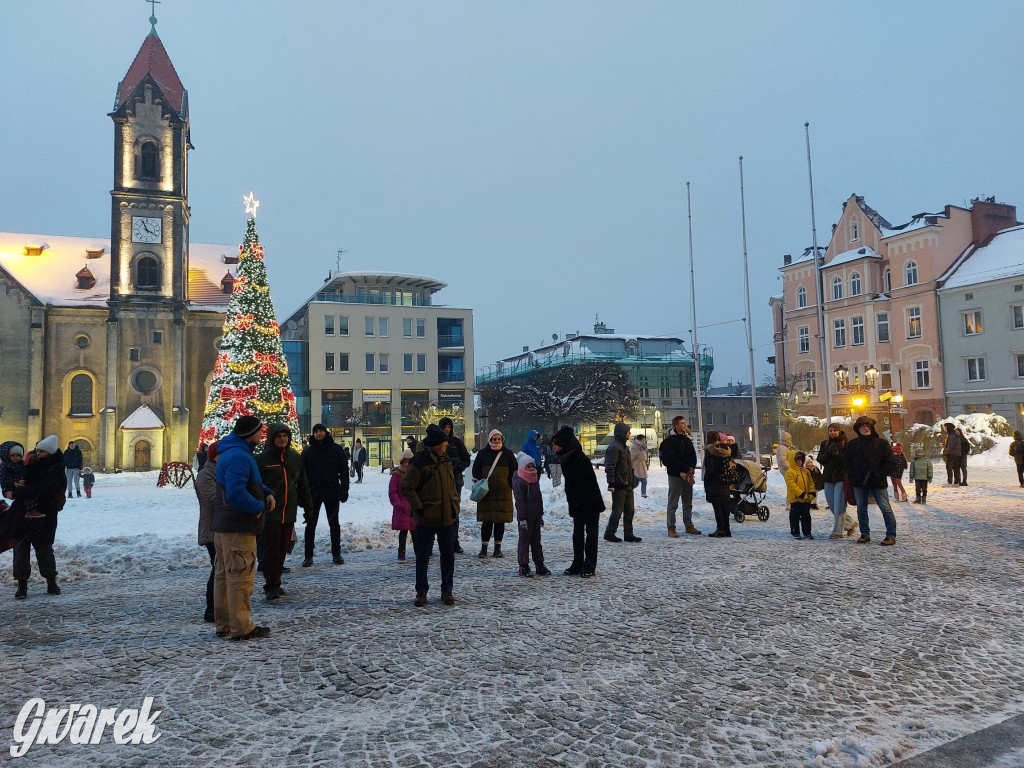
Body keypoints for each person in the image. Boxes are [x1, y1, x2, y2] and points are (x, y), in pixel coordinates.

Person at [213, 416, 275, 640]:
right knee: (240, 575)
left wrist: (266, 491)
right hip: (238, 526)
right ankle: (241, 626)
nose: (261, 434)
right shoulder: (239, 455)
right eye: (259, 431)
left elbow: (246, 481)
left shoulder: (233, 451)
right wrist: (257, 507)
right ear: (250, 434)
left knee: (224, 575)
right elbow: (236, 492)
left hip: (225, 524)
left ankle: (225, 624)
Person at [403, 424, 460, 606]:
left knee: (448, 556)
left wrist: (454, 503)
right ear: (436, 444)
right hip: (426, 517)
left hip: (446, 516)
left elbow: (451, 484)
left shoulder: (446, 459)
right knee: (423, 557)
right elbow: (407, 488)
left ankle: (447, 590)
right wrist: (419, 507)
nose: (447, 444)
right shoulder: (418, 461)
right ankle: (421, 592)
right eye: (444, 442)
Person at [257, 423, 313, 601]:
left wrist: (308, 507)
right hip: (271, 511)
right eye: (278, 436)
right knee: (271, 549)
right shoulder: (261, 460)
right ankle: (270, 584)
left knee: (283, 548)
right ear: (272, 438)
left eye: (285, 436)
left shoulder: (295, 458)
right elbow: (255, 485)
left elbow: (303, 484)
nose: (282, 439)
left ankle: (276, 581)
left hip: (288, 511)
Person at [9, 435, 65, 599]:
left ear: (50, 452)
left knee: (44, 548)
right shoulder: (29, 464)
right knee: (20, 549)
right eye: (37, 450)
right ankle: (22, 585)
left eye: (42, 451)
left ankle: (51, 581)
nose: (38, 453)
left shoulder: (56, 468)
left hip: (45, 514)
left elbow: (45, 489)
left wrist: (20, 492)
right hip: (22, 514)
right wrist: (14, 487)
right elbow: (16, 480)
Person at [550, 426, 604, 578]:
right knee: (578, 534)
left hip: (589, 502)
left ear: (564, 444)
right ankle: (577, 563)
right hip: (577, 501)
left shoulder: (578, 457)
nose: (553, 447)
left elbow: (588, 483)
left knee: (591, 534)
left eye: (555, 444)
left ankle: (589, 565)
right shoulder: (566, 456)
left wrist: (580, 500)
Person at [843, 415, 897, 546]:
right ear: (858, 429)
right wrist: (854, 474)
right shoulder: (852, 445)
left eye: (867, 426)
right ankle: (864, 534)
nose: (865, 428)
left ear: (872, 428)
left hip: (878, 482)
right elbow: (846, 462)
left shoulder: (882, 443)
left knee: (885, 508)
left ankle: (891, 535)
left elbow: (890, 462)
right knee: (861, 509)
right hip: (859, 482)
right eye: (862, 426)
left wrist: (880, 473)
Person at [301, 423, 350, 567]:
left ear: (325, 432)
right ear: (313, 434)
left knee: (334, 524)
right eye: (316, 431)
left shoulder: (336, 449)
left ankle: (336, 554)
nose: (318, 433)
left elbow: (344, 470)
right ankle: (308, 556)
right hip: (313, 493)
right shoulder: (308, 451)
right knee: (310, 525)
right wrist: (302, 494)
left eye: (321, 431)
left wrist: (344, 489)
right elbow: (301, 474)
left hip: (331, 491)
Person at [471, 429, 517, 558]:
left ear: (502, 440)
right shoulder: (482, 453)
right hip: (486, 493)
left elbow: (514, 470)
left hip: (503, 493)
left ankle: (498, 548)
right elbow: (476, 470)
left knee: (500, 522)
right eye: (494, 439)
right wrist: (480, 482)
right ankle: (484, 548)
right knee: (487, 521)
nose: (497, 441)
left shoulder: (508, 454)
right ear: (490, 440)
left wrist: (509, 483)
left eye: (499, 439)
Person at [660, 416, 700, 537]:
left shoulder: (687, 440)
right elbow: (669, 459)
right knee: (673, 503)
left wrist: (692, 467)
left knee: (688, 502)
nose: (684, 425)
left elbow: (693, 455)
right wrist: (684, 469)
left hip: (688, 475)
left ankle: (688, 525)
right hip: (675, 475)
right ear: (676, 425)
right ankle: (671, 527)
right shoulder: (669, 441)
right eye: (682, 423)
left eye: (684, 423)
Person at [194, 440, 220, 623]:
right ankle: (211, 609)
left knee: (222, 567)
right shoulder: (205, 474)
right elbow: (211, 499)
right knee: (218, 567)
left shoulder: (222, 471)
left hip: (221, 526)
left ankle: (219, 607)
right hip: (211, 528)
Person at [817, 424, 856, 540]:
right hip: (828, 478)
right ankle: (850, 524)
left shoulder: (846, 444)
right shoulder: (825, 444)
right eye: (830, 430)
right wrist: (828, 453)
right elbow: (820, 459)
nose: (833, 432)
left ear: (839, 431)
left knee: (839, 505)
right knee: (832, 505)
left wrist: (838, 454)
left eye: (835, 430)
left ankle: (838, 532)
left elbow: (849, 460)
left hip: (841, 477)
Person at [513, 452, 549, 578]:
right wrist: (522, 518)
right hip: (526, 517)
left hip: (536, 515)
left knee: (536, 541)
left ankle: (539, 564)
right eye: (528, 467)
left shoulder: (534, 479)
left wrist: (540, 514)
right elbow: (520, 502)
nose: (531, 469)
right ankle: (523, 565)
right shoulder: (519, 481)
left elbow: (539, 498)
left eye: (532, 466)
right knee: (524, 541)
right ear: (522, 467)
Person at [604, 422, 640, 543]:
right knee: (617, 511)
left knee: (630, 510)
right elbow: (610, 466)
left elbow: (628, 466)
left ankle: (628, 533)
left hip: (627, 484)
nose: (630, 434)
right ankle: (609, 532)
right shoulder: (615, 447)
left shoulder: (624, 447)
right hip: (619, 484)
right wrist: (611, 483)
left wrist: (632, 479)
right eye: (628, 432)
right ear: (622, 433)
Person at [439, 416, 470, 554]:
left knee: (454, 512)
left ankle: (454, 541)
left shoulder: (457, 442)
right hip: (440, 481)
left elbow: (466, 459)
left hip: (456, 481)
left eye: (449, 427)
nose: (447, 429)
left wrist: (458, 468)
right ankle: (440, 541)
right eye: (444, 427)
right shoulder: (436, 443)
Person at [703, 431, 735, 538]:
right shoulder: (725, 449)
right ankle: (727, 529)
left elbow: (710, 470)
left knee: (717, 507)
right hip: (725, 481)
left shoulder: (710, 451)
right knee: (725, 506)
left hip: (714, 482)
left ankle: (720, 529)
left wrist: (707, 481)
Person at [389, 450, 415, 561]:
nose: (407, 464)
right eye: (405, 462)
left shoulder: (415, 474)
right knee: (403, 532)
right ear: (402, 462)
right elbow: (393, 492)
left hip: (413, 508)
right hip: (403, 508)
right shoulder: (397, 476)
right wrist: (399, 504)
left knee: (416, 532)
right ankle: (401, 553)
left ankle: (419, 552)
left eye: (409, 462)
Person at [785, 451, 816, 540]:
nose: (799, 462)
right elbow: (792, 486)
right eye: (797, 460)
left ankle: (807, 532)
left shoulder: (806, 472)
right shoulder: (790, 472)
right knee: (794, 516)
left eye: (801, 460)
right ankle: (795, 532)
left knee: (806, 516)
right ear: (793, 460)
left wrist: (812, 493)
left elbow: (811, 483)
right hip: (796, 499)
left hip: (806, 499)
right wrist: (802, 495)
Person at [630, 434, 650, 499]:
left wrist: (646, 461)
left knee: (636, 482)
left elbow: (643, 455)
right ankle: (643, 494)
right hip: (637, 467)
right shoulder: (636, 447)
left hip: (641, 466)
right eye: (643, 439)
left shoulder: (641, 446)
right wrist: (630, 465)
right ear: (640, 439)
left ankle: (628, 490)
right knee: (643, 481)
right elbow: (631, 457)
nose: (644, 441)